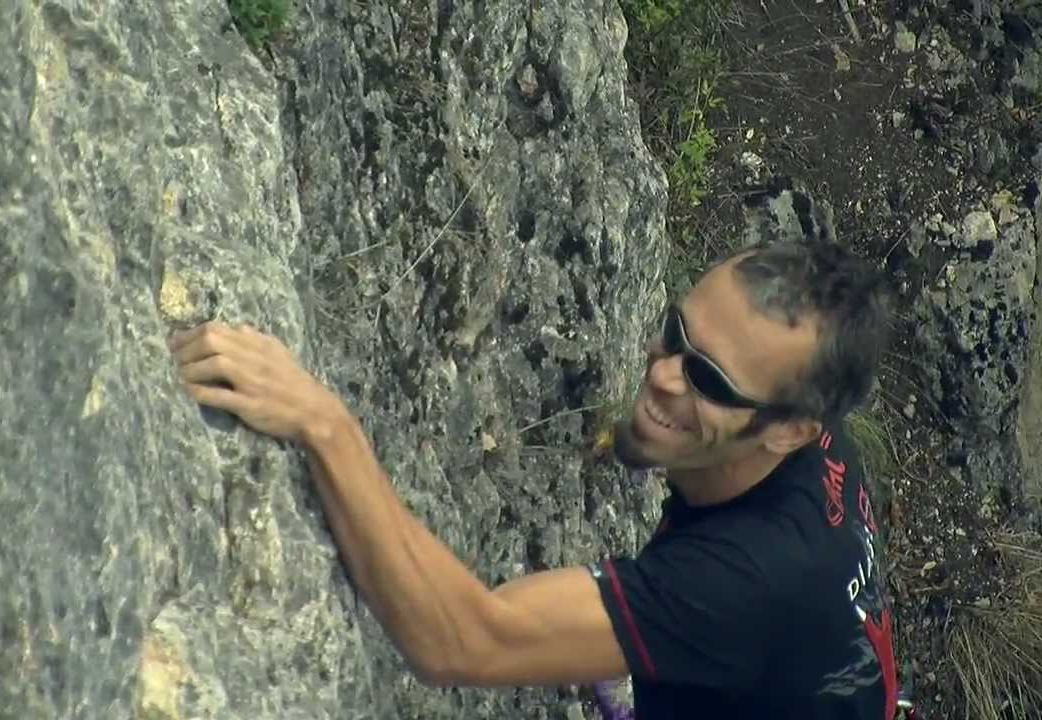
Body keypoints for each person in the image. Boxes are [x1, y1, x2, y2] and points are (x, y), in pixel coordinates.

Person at [167, 239, 898, 719]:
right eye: (677, 333)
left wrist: (323, 424)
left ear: (792, 431)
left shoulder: (746, 579)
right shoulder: (796, 431)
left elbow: (460, 643)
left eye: (706, 378)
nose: (661, 375)